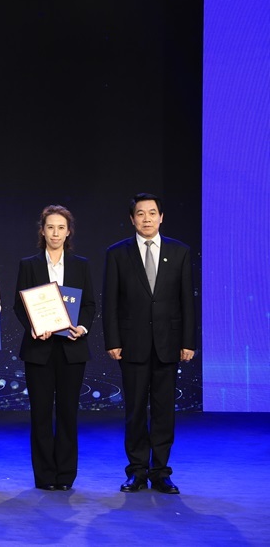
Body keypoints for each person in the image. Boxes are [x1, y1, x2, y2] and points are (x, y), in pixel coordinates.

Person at [103, 193, 196, 494]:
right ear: (132, 219)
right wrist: (113, 340)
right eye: (140, 214)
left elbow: (187, 301)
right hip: (132, 344)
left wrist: (188, 341)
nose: (147, 219)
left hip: (169, 344)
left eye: (152, 213)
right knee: (134, 411)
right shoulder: (117, 253)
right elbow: (110, 301)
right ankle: (137, 471)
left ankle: (161, 471)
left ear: (161, 217)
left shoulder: (179, 252)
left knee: (163, 410)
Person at [14, 205, 97, 491]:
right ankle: (45, 476)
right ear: (42, 231)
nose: (55, 233)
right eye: (50, 227)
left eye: (61, 227)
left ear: (68, 232)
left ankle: (65, 475)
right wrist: (34, 326)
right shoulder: (29, 264)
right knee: (40, 414)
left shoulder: (80, 265)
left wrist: (81, 327)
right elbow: (19, 305)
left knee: (67, 414)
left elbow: (89, 305)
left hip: (72, 349)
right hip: (39, 349)